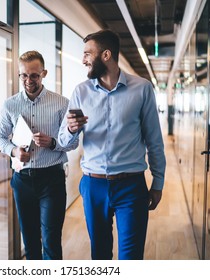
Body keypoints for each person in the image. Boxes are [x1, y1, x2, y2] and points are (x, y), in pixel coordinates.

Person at [58, 29, 166, 260]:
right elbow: (64, 142)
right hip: (93, 185)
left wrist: (158, 183)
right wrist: (70, 129)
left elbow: (154, 140)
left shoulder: (142, 89)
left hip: (131, 186)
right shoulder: (81, 92)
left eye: (88, 53)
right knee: (100, 254)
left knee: (131, 256)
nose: (83, 59)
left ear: (106, 55)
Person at [0, 50, 78, 260]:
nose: (28, 80)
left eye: (34, 75)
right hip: (22, 181)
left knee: (51, 240)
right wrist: (14, 151)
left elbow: (73, 142)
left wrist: (52, 143)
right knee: (30, 241)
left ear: (44, 73)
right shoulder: (10, 105)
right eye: (24, 75)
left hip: (52, 180)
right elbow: (1, 138)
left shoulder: (61, 103)